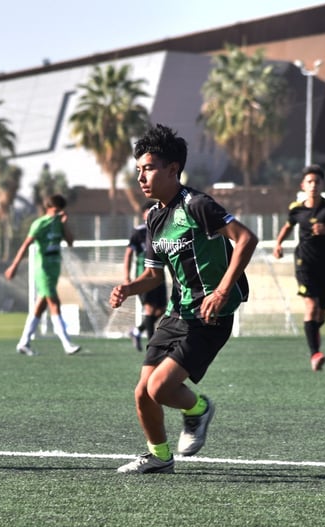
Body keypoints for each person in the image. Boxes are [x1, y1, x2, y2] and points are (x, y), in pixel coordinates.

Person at [109, 124, 258, 474]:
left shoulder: (198, 205)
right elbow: (152, 274)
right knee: (142, 393)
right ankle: (159, 456)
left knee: (160, 388)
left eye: (148, 168)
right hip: (178, 314)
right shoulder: (153, 217)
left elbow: (247, 239)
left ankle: (198, 410)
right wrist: (128, 288)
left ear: (173, 169)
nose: (141, 177)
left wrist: (221, 290)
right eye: (138, 170)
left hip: (210, 317)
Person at [273, 165, 325, 371]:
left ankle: (314, 337)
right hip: (304, 264)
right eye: (309, 182)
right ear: (303, 185)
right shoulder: (297, 209)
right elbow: (288, 226)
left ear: (322, 185)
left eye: (317, 182)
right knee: (311, 307)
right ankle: (315, 353)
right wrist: (278, 243)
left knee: (321, 314)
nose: (313, 185)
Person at [5, 194, 81, 356]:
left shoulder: (59, 224)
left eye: (61, 211)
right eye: (56, 210)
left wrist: (65, 225)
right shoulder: (39, 224)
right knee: (54, 303)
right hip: (43, 269)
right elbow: (25, 245)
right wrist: (14, 266)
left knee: (40, 306)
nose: (59, 213)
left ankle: (24, 343)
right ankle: (67, 344)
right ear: (49, 209)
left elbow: (70, 242)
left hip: (54, 270)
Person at [124, 201, 167, 352]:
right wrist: (127, 276)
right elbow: (129, 253)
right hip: (143, 277)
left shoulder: (162, 229)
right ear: (143, 214)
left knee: (161, 309)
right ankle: (153, 348)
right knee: (149, 309)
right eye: (149, 211)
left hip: (159, 276)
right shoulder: (139, 231)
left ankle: (137, 331)